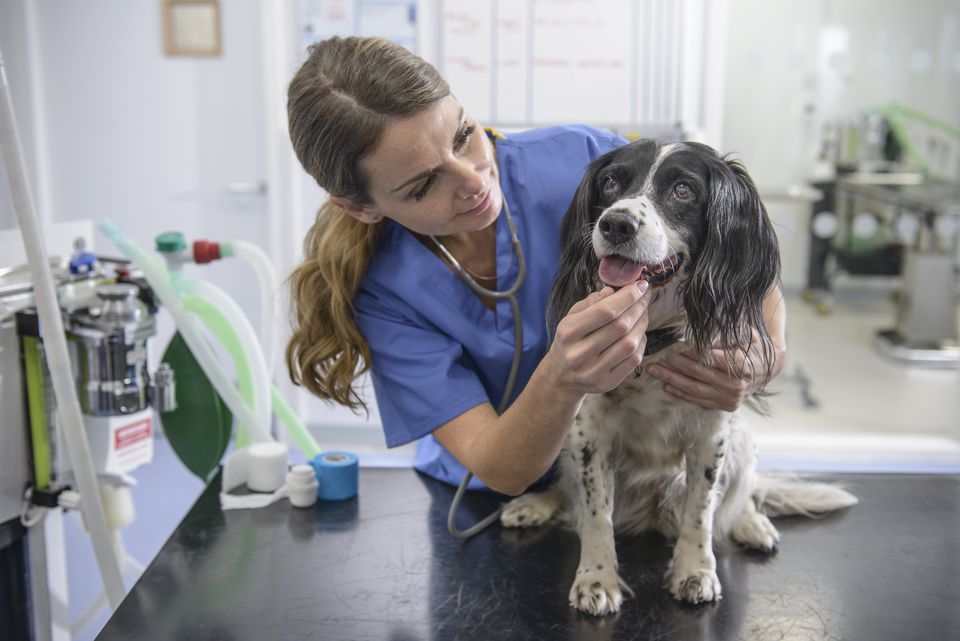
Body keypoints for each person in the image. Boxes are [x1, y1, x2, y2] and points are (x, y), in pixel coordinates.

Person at [285, 36, 786, 497]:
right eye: (422, 185)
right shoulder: (383, 292)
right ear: (361, 207)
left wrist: (765, 357)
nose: (474, 180)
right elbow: (498, 466)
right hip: (490, 497)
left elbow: (734, 249)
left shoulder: (584, 160)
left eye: (463, 135)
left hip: (627, 475)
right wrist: (562, 379)